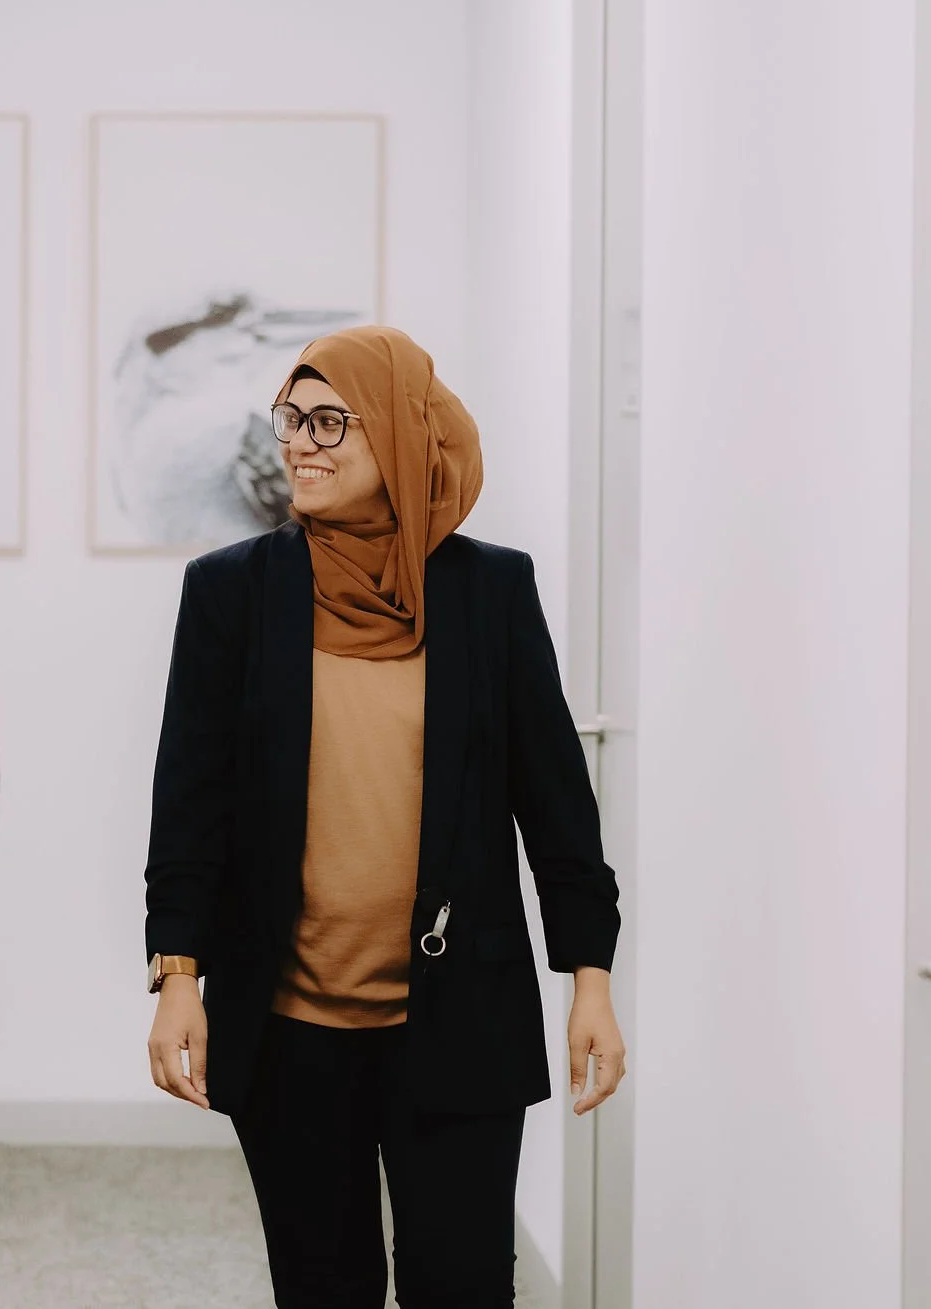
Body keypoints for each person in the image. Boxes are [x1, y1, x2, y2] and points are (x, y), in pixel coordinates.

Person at [142, 326, 625, 1308]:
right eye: (289, 418)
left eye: (330, 421)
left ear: (401, 434)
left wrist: (590, 979)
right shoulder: (232, 591)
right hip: (289, 1026)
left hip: (459, 1017)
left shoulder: (489, 591)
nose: (299, 443)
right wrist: (176, 975)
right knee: (323, 1286)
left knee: (462, 1285)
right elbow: (189, 801)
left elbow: (555, 803)